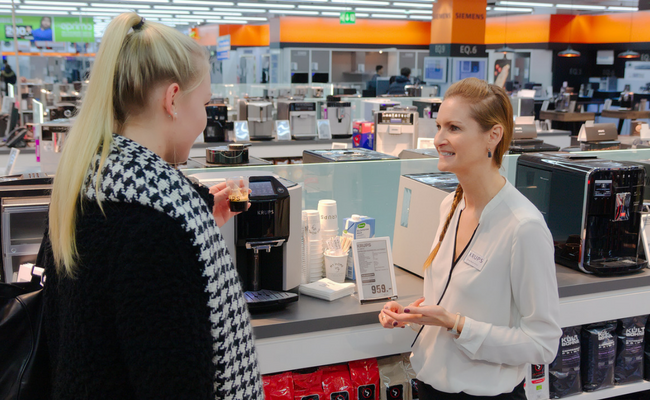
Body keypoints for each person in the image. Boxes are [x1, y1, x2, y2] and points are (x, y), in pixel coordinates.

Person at [41, 13, 263, 400]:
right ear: (172, 99)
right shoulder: (157, 232)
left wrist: (197, 222)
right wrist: (183, 240)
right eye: (206, 103)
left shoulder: (86, 188)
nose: (205, 118)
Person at [379, 78, 561, 399]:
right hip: (431, 387)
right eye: (438, 126)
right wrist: (410, 316)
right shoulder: (450, 204)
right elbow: (454, 305)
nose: (439, 139)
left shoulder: (523, 227)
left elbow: (542, 344)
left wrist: (456, 324)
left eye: (454, 128)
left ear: (493, 135)